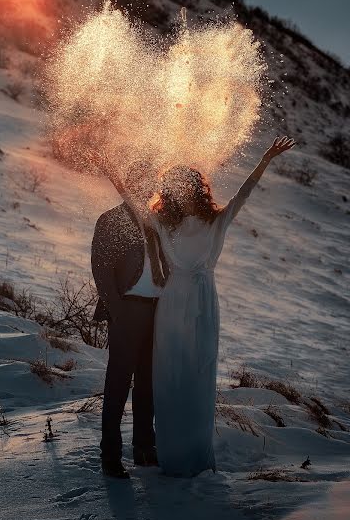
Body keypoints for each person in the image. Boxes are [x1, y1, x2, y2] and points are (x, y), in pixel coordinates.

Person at [90, 135, 296, 477]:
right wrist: (108, 168)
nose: (176, 191)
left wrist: (265, 160)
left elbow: (243, 194)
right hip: (148, 309)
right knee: (139, 382)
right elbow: (107, 252)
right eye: (172, 186)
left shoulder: (190, 222)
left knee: (168, 382)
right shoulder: (144, 221)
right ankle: (123, 453)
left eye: (183, 185)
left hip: (179, 306)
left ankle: (158, 449)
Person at [91, 160, 168, 479]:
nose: (149, 188)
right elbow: (101, 269)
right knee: (119, 382)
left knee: (148, 382)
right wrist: (118, 311)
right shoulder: (111, 219)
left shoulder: (156, 221)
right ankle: (110, 455)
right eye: (144, 182)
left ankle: (144, 449)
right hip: (129, 309)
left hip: (156, 310)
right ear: (132, 182)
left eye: (153, 183)